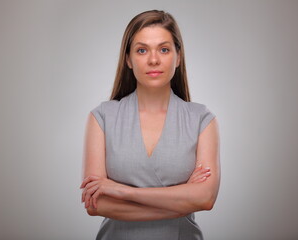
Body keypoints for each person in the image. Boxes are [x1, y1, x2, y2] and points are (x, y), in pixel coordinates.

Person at [80, 10, 220, 240]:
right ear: (128, 59)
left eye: (164, 49)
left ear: (178, 56)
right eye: (142, 50)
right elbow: (96, 204)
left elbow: (205, 198)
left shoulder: (202, 119)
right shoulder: (102, 117)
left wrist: (121, 191)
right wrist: (182, 199)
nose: (153, 60)